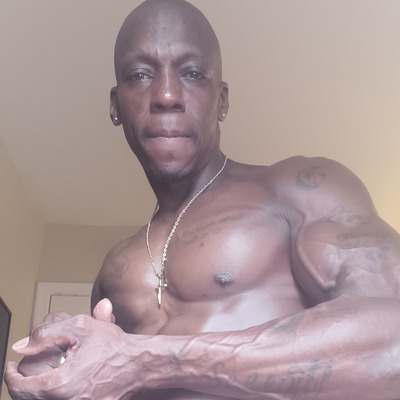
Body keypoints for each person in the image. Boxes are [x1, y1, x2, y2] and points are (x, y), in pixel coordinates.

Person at [5, 0, 400, 399]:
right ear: (115, 104)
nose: (166, 95)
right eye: (140, 75)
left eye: (192, 73)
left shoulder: (301, 190)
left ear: (222, 100)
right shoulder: (113, 270)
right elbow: (106, 379)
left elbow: (392, 341)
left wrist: (142, 360)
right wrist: (56, 376)